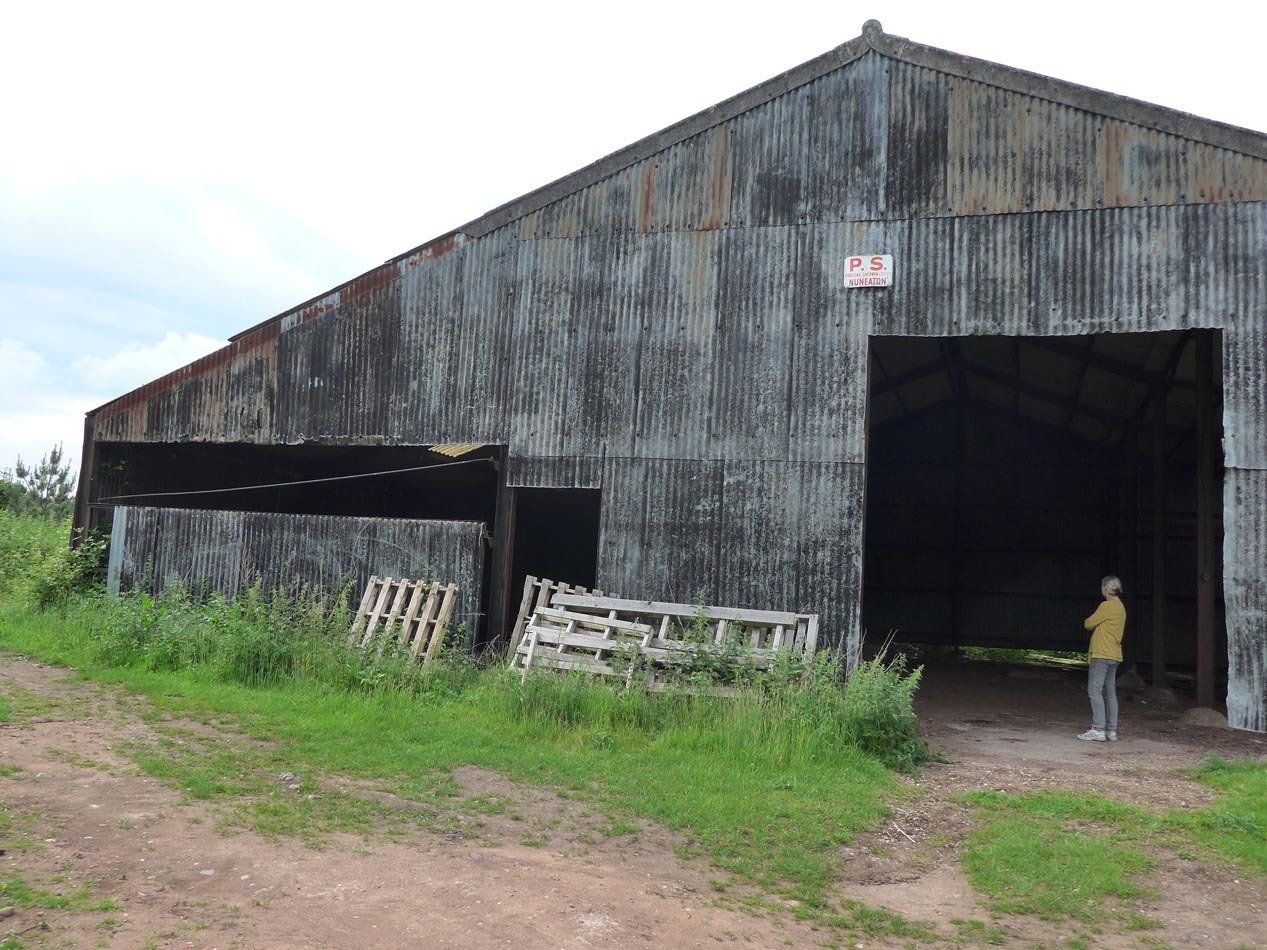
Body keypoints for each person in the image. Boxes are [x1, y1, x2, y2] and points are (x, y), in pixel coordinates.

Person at [1078, 575, 1126, 742]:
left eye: (1102, 587)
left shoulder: (1107, 606)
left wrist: (1094, 622)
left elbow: (1088, 623)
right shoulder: (1120, 607)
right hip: (1114, 654)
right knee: (1110, 692)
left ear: (1106, 588)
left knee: (1094, 690)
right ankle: (1111, 731)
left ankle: (1098, 729)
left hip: (1102, 653)